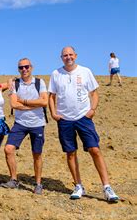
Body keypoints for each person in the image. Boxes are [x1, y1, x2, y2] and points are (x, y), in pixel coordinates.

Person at [48, 46, 119, 202]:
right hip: (65, 120)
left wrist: (92, 109)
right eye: (65, 55)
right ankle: (78, 185)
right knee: (71, 152)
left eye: (70, 54)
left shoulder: (85, 71)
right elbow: (51, 96)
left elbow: (94, 93)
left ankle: (107, 187)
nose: (68, 57)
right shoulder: (56, 74)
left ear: (76, 56)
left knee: (94, 149)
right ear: (61, 58)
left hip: (83, 118)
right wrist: (53, 113)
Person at [2, 58, 48, 195]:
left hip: (37, 124)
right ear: (18, 69)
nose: (24, 69)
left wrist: (24, 102)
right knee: (8, 149)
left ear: (31, 67)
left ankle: (38, 183)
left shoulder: (40, 83)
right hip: (20, 123)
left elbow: (44, 102)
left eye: (26, 67)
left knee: (37, 154)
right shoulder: (15, 84)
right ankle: (14, 179)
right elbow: (14, 105)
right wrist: (34, 104)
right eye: (21, 67)